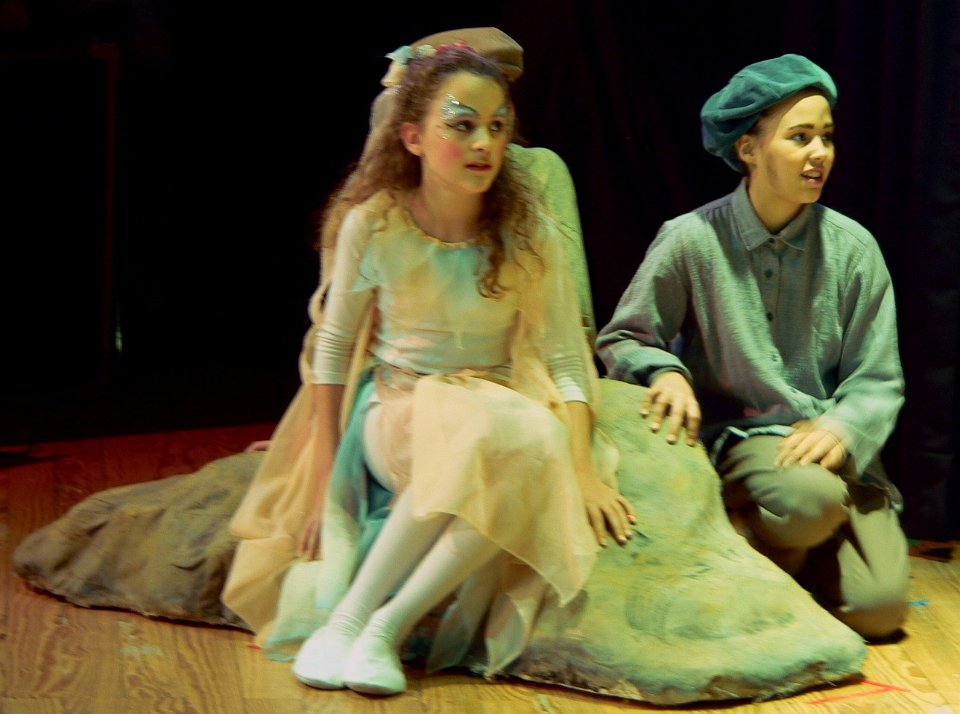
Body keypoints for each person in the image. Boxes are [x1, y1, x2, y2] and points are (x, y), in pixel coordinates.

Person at [222, 30, 635, 697]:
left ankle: (380, 627)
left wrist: (582, 466)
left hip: (495, 412)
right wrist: (324, 468)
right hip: (398, 411)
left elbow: (565, 356)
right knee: (494, 437)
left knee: (529, 438)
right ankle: (348, 622)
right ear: (413, 137)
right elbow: (334, 347)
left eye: (497, 127)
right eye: (462, 125)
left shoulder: (527, 229)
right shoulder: (376, 223)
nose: (483, 143)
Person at [595, 54, 910, 640]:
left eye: (827, 137)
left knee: (878, 609)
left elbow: (878, 377)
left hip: (826, 449)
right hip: (742, 443)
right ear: (748, 149)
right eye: (800, 137)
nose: (820, 153)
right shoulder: (691, 239)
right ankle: (756, 530)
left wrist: (843, 428)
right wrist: (665, 372)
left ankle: (750, 550)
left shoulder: (853, 249)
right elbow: (625, 335)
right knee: (808, 501)